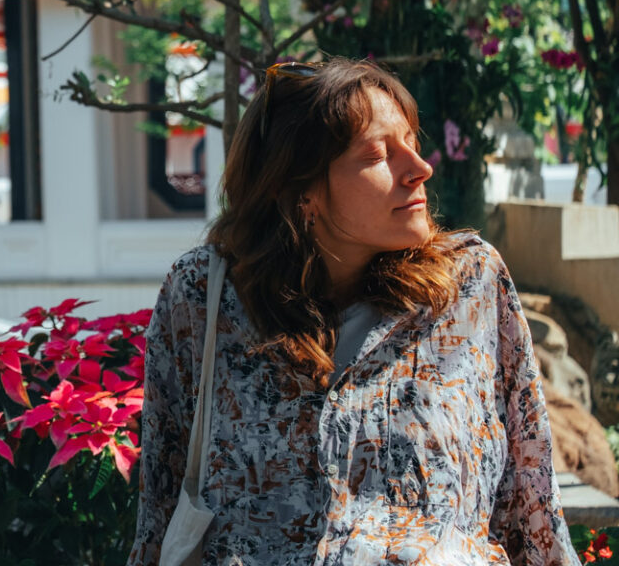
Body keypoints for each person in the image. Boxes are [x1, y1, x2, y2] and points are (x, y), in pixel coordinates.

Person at [127, 58, 578, 565]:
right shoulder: (202, 296)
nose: (419, 167)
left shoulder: (470, 286)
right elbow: (161, 505)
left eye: (411, 140)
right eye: (379, 154)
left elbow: (531, 505)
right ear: (303, 192)